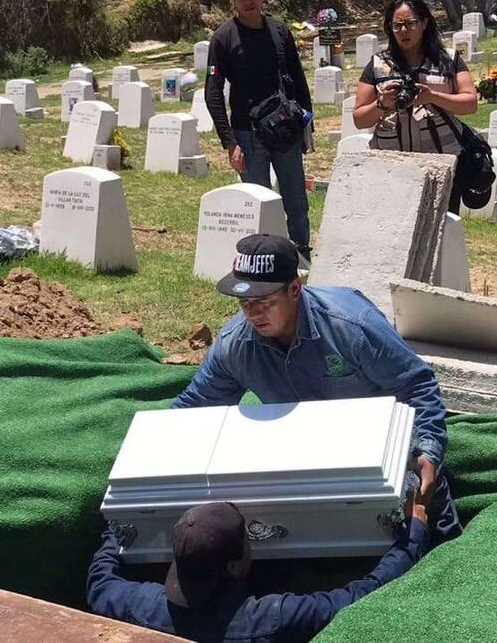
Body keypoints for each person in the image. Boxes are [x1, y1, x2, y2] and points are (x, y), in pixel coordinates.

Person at [172, 233, 463, 544]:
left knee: (437, 547)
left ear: (295, 289)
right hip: (303, 468)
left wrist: (427, 452)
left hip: (381, 456)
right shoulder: (236, 345)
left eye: (265, 302)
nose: (253, 314)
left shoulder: (351, 326)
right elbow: (195, 407)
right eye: (245, 303)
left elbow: (416, 384)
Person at [87, 496, 431, 641]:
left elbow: (100, 582)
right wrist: (412, 533)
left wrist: (119, 529)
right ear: (236, 564)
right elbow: (360, 595)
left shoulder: (141, 604)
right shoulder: (269, 618)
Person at [205, 0, 314, 259]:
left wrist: (306, 125)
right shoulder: (223, 38)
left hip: (285, 128)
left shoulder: (279, 31)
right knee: (258, 203)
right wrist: (229, 142)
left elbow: (297, 78)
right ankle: (265, 260)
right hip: (247, 135)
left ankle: (301, 254)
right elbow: (213, 93)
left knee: (296, 201)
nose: (247, 0)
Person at [352, 0, 478, 210]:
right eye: (397, 25)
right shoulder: (378, 64)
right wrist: (382, 104)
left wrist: (433, 97)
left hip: (441, 161)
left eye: (410, 23)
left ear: (424, 23)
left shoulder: (448, 59)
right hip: (391, 164)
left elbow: (470, 103)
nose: (403, 31)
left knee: (441, 231)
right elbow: (359, 119)